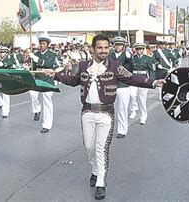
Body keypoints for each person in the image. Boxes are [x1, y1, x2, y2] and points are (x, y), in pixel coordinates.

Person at [44, 34, 165, 200]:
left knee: (101, 148)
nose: (103, 51)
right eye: (100, 48)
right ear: (92, 49)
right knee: (89, 147)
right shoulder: (82, 65)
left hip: (106, 113)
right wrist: (55, 75)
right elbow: (72, 81)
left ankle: (101, 181)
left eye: (106, 48)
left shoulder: (115, 66)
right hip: (87, 112)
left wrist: (153, 82)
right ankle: (94, 169)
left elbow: (132, 78)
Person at [29, 34, 58, 133]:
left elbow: (48, 64)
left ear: (48, 44)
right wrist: (30, 63)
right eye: (40, 44)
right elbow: (32, 67)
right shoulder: (36, 54)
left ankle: (47, 125)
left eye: (43, 44)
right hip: (38, 77)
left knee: (47, 101)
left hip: (48, 78)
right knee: (32, 93)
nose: (41, 45)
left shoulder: (52, 54)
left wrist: (36, 59)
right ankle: (37, 109)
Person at [107, 36, 132, 138]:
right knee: (107, 108)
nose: (118, 46)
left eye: (120, 45)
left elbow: (131, 68)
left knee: (122, 108)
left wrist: (129, 57)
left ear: (123, 46)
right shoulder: (110, 55)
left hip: (123, 85)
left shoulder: (127, 56)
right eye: (116, 44)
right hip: (111, 84)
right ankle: (107, 129)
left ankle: (122, 130)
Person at [129, 43, 155, 125]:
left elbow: (151, 70)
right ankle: (134, 109)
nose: (139, 51)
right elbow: (129, 69)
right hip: (134, 79)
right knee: (132, 95)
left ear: (143, 50)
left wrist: (151, 81)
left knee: (142, 99)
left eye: (140, 49)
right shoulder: (133, 58)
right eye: (137, 49)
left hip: (143, 79)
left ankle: (143, 116)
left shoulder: (147, 58)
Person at [0, 46, 14, 118]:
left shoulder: (9, 59)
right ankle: (0, 103)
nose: (1, 54)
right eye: (0, 52)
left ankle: (5, 112)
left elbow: (8, 64)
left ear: (6, 53)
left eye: (2, 52)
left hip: (7, 78)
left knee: (6, 95)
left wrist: (2, 63)